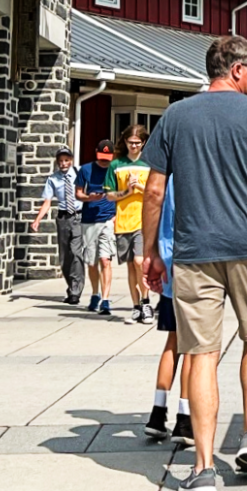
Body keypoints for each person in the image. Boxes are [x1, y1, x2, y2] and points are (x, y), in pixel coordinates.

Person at [142, 35, 247, 491]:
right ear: (235, 69)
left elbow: (153, 191)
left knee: (201, 353)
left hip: (193, 250)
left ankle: (204, 468)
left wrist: (150, 253)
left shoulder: (175, 116)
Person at [142, 181, 192, 445]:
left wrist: (152, 253)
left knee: (172, 342)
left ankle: (157, 412)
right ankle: (185, 418)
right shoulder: (195, 169)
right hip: (194, 264)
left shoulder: (164, 177)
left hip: (168, 262)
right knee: (194, 348)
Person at [28, 146, 83, 307]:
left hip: (79, 216)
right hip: (63, 217)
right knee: (65, 256)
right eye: (60, 161)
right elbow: (47, 202)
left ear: (71, 160)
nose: (64, 164)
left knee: (76, 253)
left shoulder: (79, 173)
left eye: (66, 160)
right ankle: (71, 285)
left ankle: (75, 291)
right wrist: (37, 219)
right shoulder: (53, 179)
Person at [108, 127, 153, 323]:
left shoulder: (150, 163)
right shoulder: (116, 165)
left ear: (143, 142)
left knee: (140, 262)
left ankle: (146, 302)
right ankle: (136, 307)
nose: (134, 145)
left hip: (144, 220)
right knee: (130, 266)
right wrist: (127, 190)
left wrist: (139, 187)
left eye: (137, 142)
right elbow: (109, 194)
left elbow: (156, 192)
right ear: (124, 142)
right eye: (130, 142)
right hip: (123, 220)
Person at [74, 139, 116, 314]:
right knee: (91, 262)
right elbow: (78, 193)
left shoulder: (115, 171)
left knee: (105, 260)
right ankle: (95, 293)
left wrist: (116, 217)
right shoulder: (86, 169)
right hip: (89, 219)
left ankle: (106, 299)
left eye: (108, 158)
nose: (104, 161)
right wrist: (88, 197)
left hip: (108, 219)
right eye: (102, 157)